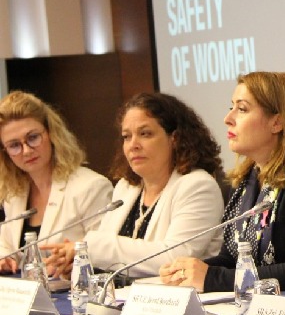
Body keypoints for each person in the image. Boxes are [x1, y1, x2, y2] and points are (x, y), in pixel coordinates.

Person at [159, 72, 285, 292]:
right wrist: (187, 271)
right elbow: (232, 260)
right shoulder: (249, 176)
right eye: (231, 107)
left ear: (277, 122)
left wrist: (212, 278)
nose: (228, 118)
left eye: (242, 109)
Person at [44, 92, 225, 278]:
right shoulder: (126, 188)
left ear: (175, 138)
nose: (133, 145)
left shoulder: (198, 186)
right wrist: (82, 265)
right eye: (126, 137)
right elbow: (109, 259)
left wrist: (91, 247)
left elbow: (174, 259)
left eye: (145, 134)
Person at [0, 91, 112, 273]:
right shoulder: (14, 193)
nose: (26, 151)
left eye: (33, 137)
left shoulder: (91, 187)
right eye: (14, 145)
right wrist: (5, 257)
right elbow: (5, 244)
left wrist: (74, 263)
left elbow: (107, 256)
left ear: (51, 133)